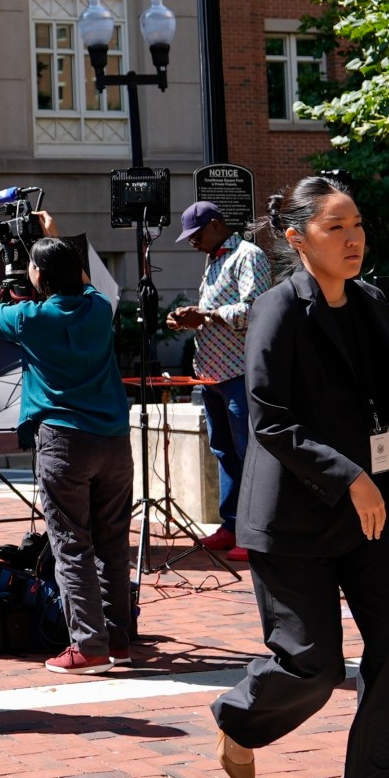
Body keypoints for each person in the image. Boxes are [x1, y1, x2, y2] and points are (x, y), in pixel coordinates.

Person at [210, 177, 389, 778]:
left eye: (358, 225)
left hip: (372, 516)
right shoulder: (277, 310)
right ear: (297, 238)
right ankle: (239, 716)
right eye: (336, 226)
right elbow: (269, 419)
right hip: (294, 518)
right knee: (311, 666)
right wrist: (349, 476)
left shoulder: (371, 302)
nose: (353, 239)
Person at [0, 223, 134, 674]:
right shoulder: (100, 308)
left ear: (39, 275)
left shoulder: (30, 319)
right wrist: (56, 234)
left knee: (71, 544)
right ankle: (118, 641)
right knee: (113, 545)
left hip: (65, 442)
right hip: (115, 443)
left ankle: (89, 646)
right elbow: (83, 281)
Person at [168, 201, 269, 555]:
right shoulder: (213, 260)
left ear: (215, 225)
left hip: (239, 373)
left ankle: (255, 533)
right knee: (224, 450)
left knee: (248, 453)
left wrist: (206, 315)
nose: (192, 242)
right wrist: (187, 319)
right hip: (211, 376)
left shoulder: (247, 255)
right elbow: (214, 314)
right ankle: (232, 526)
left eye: (195, 235)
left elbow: (256, 309)